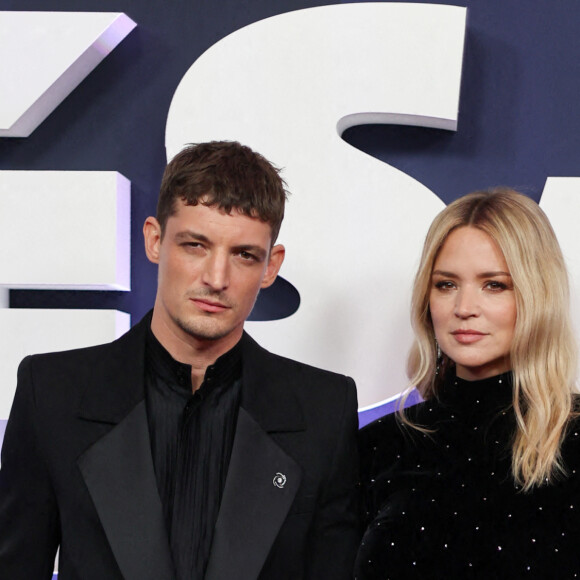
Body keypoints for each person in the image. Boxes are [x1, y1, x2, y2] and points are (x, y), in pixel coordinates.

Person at [0, 141, 360, 580]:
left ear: (270, 266)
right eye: (195, 245)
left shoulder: (324, 409)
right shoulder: (52, 392)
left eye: (244, 254)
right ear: (155, 239)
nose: (216, 278)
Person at [355, 188, 580, 579]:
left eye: (494, 285)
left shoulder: (573, 437)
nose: (463, 308)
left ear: (536, 294)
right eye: (446, 284)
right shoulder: (379, 445)